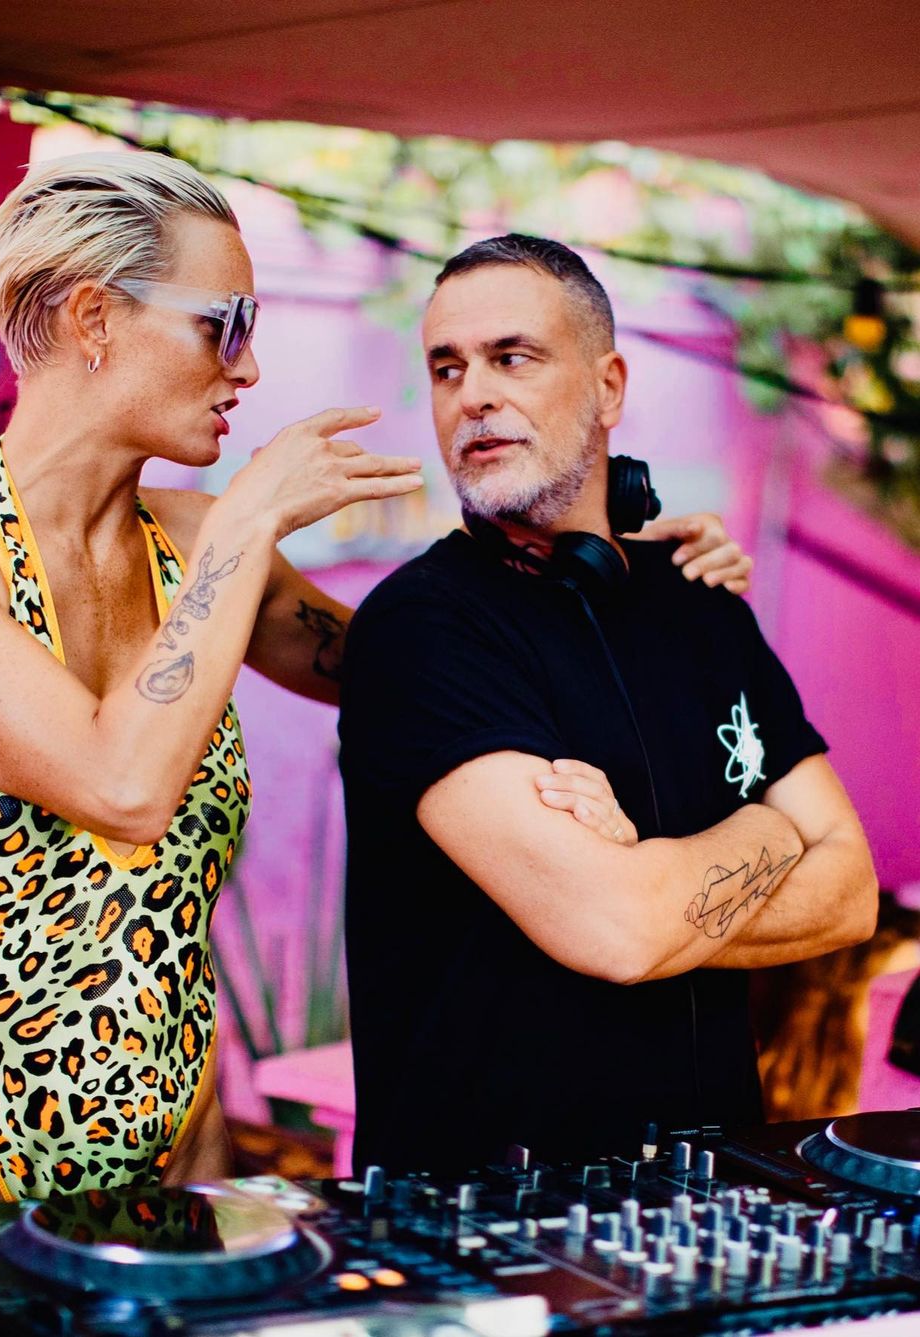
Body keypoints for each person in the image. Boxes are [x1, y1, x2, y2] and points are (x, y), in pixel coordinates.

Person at [0, 154, 749, 1212]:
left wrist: (630, 577)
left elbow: (436, 679)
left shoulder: (198, 541)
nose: (250, 369)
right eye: (222, 325)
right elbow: (119, 786)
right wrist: (249, 519)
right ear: (94, 319)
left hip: (180, 1152)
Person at [338, 234, 878, 1175]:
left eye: (512, 357)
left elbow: (853, 894)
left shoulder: (703, 600)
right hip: (490, 1210)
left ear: (609, 387)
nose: (473, 395)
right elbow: (619, 930)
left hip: (708, 1193)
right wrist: (771, 832)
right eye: (447, 368)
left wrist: (657, 889)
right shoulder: (423, 627)